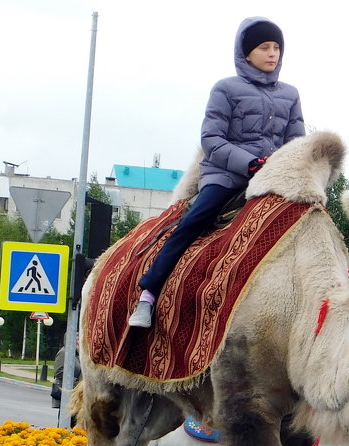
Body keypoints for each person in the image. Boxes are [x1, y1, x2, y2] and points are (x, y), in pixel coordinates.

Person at [128, 17, 305, 328]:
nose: (272, 53)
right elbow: (211, 139)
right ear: (246, 52)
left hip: (273, 178)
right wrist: (249, 163)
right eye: (264, 47)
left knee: (309, 218)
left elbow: (296, 142)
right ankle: (148, 295)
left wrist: (282, 167)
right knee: (195, 221)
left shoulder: (290, 94)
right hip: (226, 174)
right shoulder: (225, 88)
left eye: (277, 47)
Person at [51, 335, 81, 427]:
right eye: (77, 340)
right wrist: (76, 383)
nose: (79, 342)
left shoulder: (76, 354)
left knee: (74, 422)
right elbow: (59, 372)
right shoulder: (64, 352)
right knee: (66, 421)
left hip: (75, 394)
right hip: (67, 392)